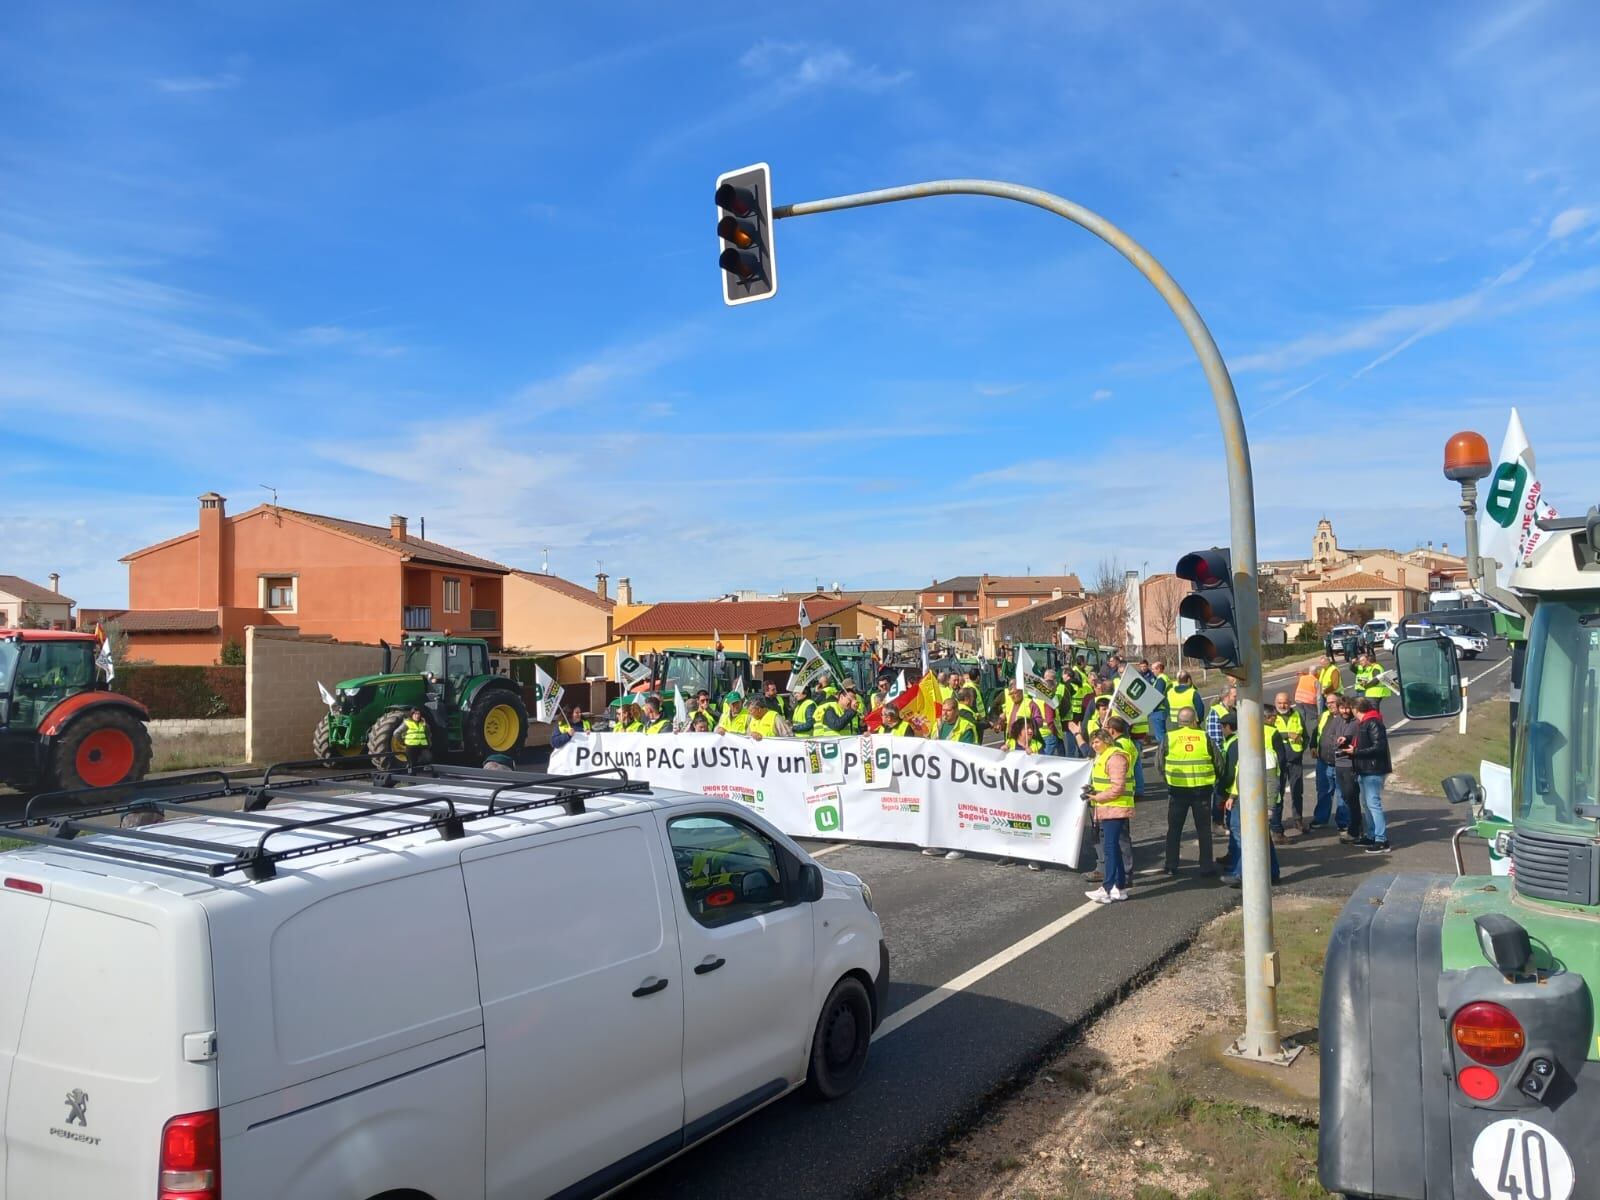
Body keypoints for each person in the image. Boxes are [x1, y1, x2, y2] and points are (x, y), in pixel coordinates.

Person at [1217, 709, 1281, 887]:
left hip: (1254, 802)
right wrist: (1233, 795)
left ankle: (1241, 875)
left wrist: (1269, 808)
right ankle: (1272, 873)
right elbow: (1240, 775)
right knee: (1261, 838)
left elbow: (1271, 781)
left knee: (1243, 837)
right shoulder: (1247, 749)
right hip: (1243, 798)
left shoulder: (1264, 753)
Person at [1162, 707, 1217, 875]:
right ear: (1194, 721)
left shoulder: (1169, 737)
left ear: (1178, 721)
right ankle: (1206, 866)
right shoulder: (1204, 737)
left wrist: (1169, 780)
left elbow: (1159, 763)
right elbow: (1218, 762)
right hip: (1202, 790)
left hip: (1178, 790)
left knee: (1174, 829)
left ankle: (1171, 865)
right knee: (1204, 829)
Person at [1084, 728, 1134, 902]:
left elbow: (1117, 787)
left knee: (1110, 848)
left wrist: (1098, 796)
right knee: (1114, 849)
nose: (1094, 745)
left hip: (1115, 807)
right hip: (1108, 807)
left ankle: (1107, 888)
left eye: (1097, 741)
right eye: (1092, 742)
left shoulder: (1115, 758)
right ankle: (1120, 888)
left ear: (1107, 740)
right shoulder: (1104, 757)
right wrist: (1093, 792)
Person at [1352, 696, 1392, 852]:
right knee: (1367, 804)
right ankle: (1372, 834)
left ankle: (1381, 839)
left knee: (1373, 804)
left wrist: (1356, 752)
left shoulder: (1373, 722)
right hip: (1364, 769)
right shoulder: (1365, 723)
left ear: (1356, 709)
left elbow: (1378, 747)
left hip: (1373, 769)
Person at [1268, 691, 1308, 838]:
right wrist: (1288, 734)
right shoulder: (1270, 716)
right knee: (1278, 794)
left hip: (1294, 760)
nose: (1282, 705)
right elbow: (1269, 732)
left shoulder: (1296, 714)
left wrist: (1300, 751)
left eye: (1285, 702)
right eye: (1279, 703)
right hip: (1278, 761)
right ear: (1275, 702)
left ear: (1289, 702)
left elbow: (1305, 736)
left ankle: (1298, 820)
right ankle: (1276, 824)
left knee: (1297, 791)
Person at [1354, 653, 1394, 719]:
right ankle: (1378, 725)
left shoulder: (1376, 668)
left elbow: (1375, 680)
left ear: (1368, 661)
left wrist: (1366, 685)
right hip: (1372, 693)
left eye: (1365, 661)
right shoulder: (1373, 667)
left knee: (1374, 712)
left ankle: (1378, 726)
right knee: (1373, 711)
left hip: (1375, 693)